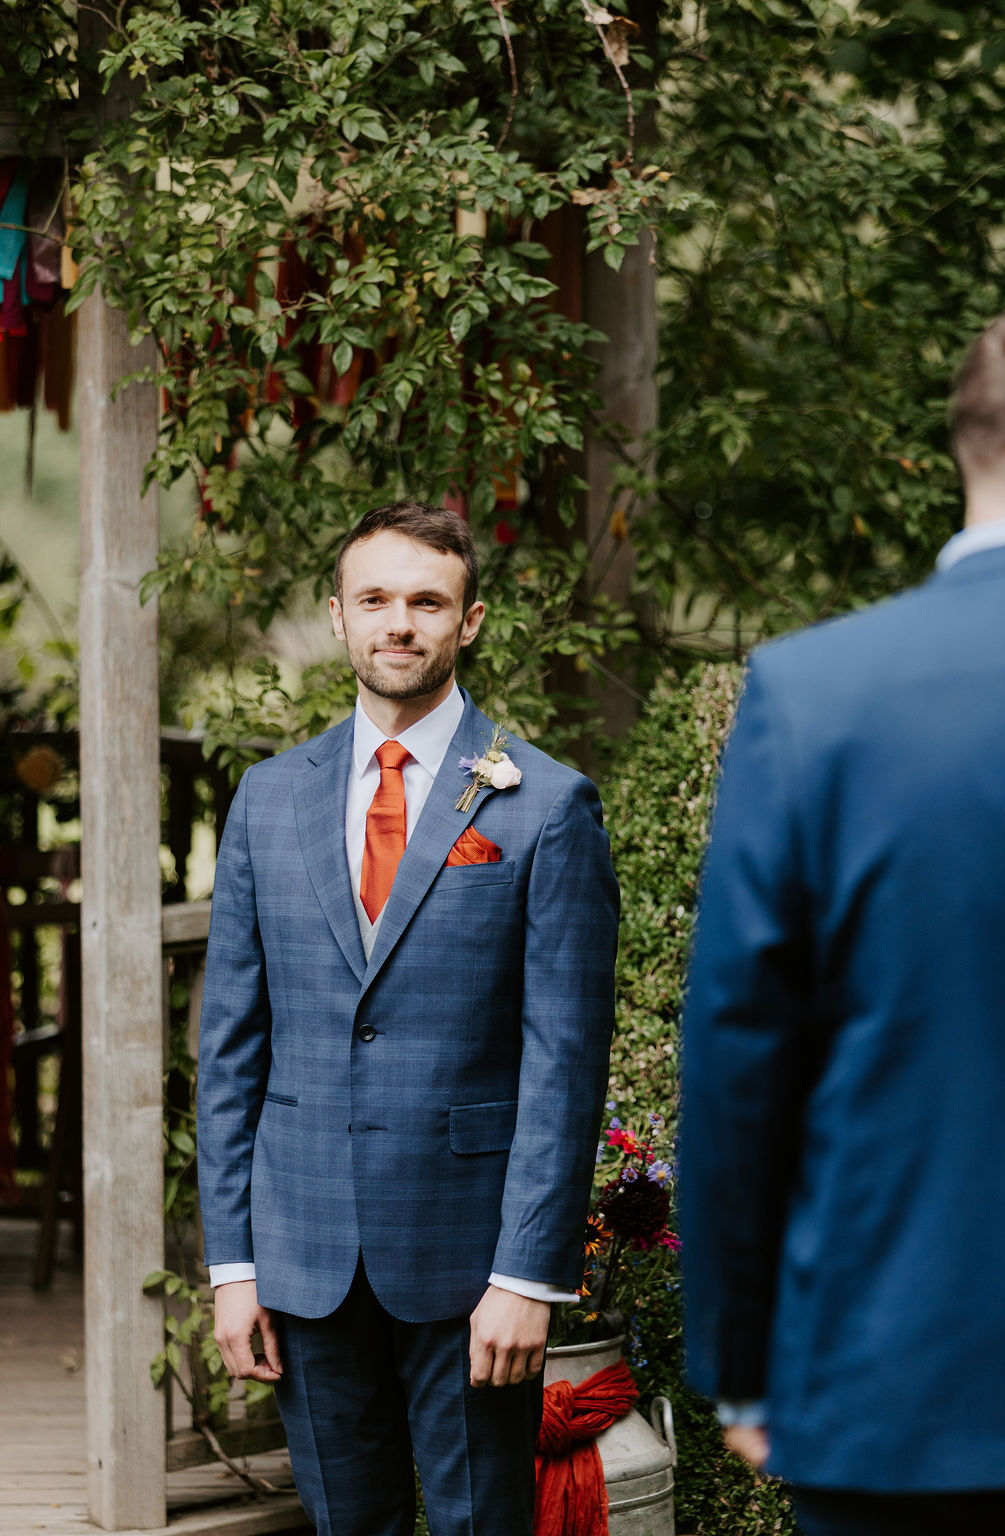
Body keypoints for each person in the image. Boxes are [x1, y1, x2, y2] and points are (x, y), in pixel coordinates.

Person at [197, 502, 619, 1536]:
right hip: (302, 1257)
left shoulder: (545, 804)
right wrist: (234, 1267)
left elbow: (563, 1064)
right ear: (336, 615)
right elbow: (230, 1050)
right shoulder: (266, 800)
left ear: (467, 622)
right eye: (375, 599)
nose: (399, 623)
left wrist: (527, 1276)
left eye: (427, 602)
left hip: (471, 1264)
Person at [679, 304, 1005, 1536]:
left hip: (895, 1380)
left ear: (963, 447)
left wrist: (741, 1357)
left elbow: (738, 1050)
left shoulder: (816, 695)